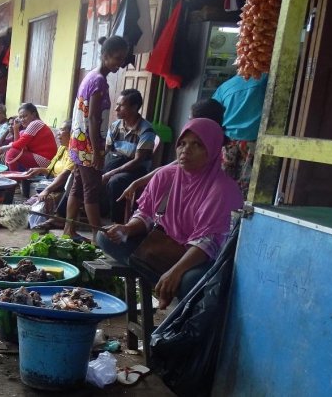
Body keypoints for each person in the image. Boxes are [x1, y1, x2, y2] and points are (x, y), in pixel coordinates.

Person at [98, 118, 244, 309]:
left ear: (213, 150)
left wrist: (176, 272)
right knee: (104, 236)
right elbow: (146, 214)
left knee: (193, 281)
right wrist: (127, 229)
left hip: (197, 258)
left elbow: (208, 243)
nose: (186, 150)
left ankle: (159, 274)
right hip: (162, 245)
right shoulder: (165, 176)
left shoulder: (224, 190)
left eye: (197, 145)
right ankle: (162, 279)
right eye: (182, 144)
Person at [65, 35, 129, 241]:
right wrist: (97, 151)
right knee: (91, 189)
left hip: (78, 141)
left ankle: (69, 229)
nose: (120, 63)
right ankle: (97, 237)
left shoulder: (91, 76)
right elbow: (93, 118)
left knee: (78, 185)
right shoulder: (99, 81)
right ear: (105, 56)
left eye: (122, 59)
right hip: (88, 145)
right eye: (117, 58)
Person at [102, 89, 156, 223]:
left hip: (135, 170)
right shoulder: (115, 126)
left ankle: (117, 223)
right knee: (85, 174)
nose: (116, 108)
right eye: (117, 104)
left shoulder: (146, 130)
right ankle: (67, 216)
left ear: (134, 107)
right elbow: (107, 151)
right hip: (114, 163)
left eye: (121, 105)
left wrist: (110, 173)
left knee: (116, 181)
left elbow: (138, 161)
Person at [213, 72, 268, 196]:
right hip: (253, 141)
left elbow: (212, 111)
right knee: (249, 187)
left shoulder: (225, 86)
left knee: (223, 186)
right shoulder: (264, 79)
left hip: (229, 143)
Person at [0, 103, 57, 171]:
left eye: (25, 116)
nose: (22, 119)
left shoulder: (36, 123)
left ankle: (14, 178)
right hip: (37, 157)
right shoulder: (27, 129)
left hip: (45, 160)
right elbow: (18, 145)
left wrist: (3, 148)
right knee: (11, 151)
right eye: (20, 117)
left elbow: (19, 145)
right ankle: (14, 176)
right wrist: (16, 128)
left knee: (12, 152)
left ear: (33, 114)